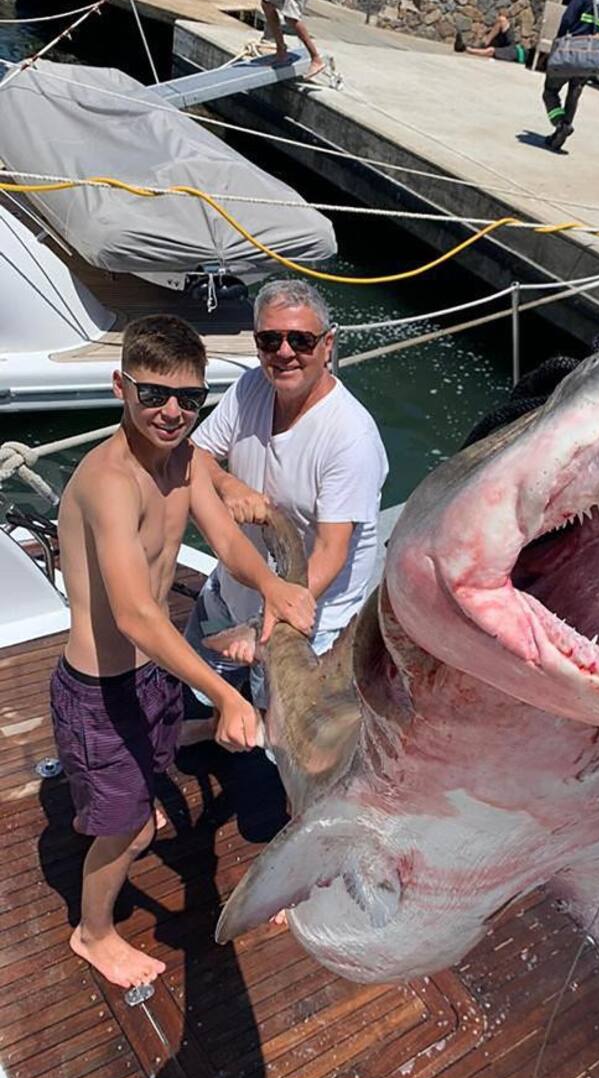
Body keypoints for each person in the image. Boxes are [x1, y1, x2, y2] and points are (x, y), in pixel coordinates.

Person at [50, 315, 316, 990]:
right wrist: (226, 694)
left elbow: (225, 541)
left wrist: (272, 585)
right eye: (153, 394)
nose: (172, 412)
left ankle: (102, 802)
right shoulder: (110, 482)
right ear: (121, 386)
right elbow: (137, 614)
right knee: (131, 833)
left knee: (148, 767)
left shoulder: (186, 459)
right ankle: (94, 931)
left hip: (151, 676)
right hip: (100, 688)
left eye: (189, 398)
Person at [182, 279, 388, 735]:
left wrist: (265, 624)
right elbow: (194, 452)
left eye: (301, 340)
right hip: (233, 586)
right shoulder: (250, 387)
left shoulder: (350, 438)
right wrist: (227, 483)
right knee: (198, 689)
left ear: (328, 344)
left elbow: (331, 552)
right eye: (270, 340)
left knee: (284, 741)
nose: (285, 352)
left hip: (306, 619)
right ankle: (212, 724)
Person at [541, 0, 599, 154]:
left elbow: (567, 19)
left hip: (572, 51)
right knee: (574, 94)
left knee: (550, 91)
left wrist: (557, 44)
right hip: (590, 57)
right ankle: (559, 137)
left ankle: (560, 125)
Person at [454, 12, 529, 66]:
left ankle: (465, 49)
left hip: (516, 54)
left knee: (491, 51)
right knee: (502, 20)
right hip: (516, 46)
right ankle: (485, 43)